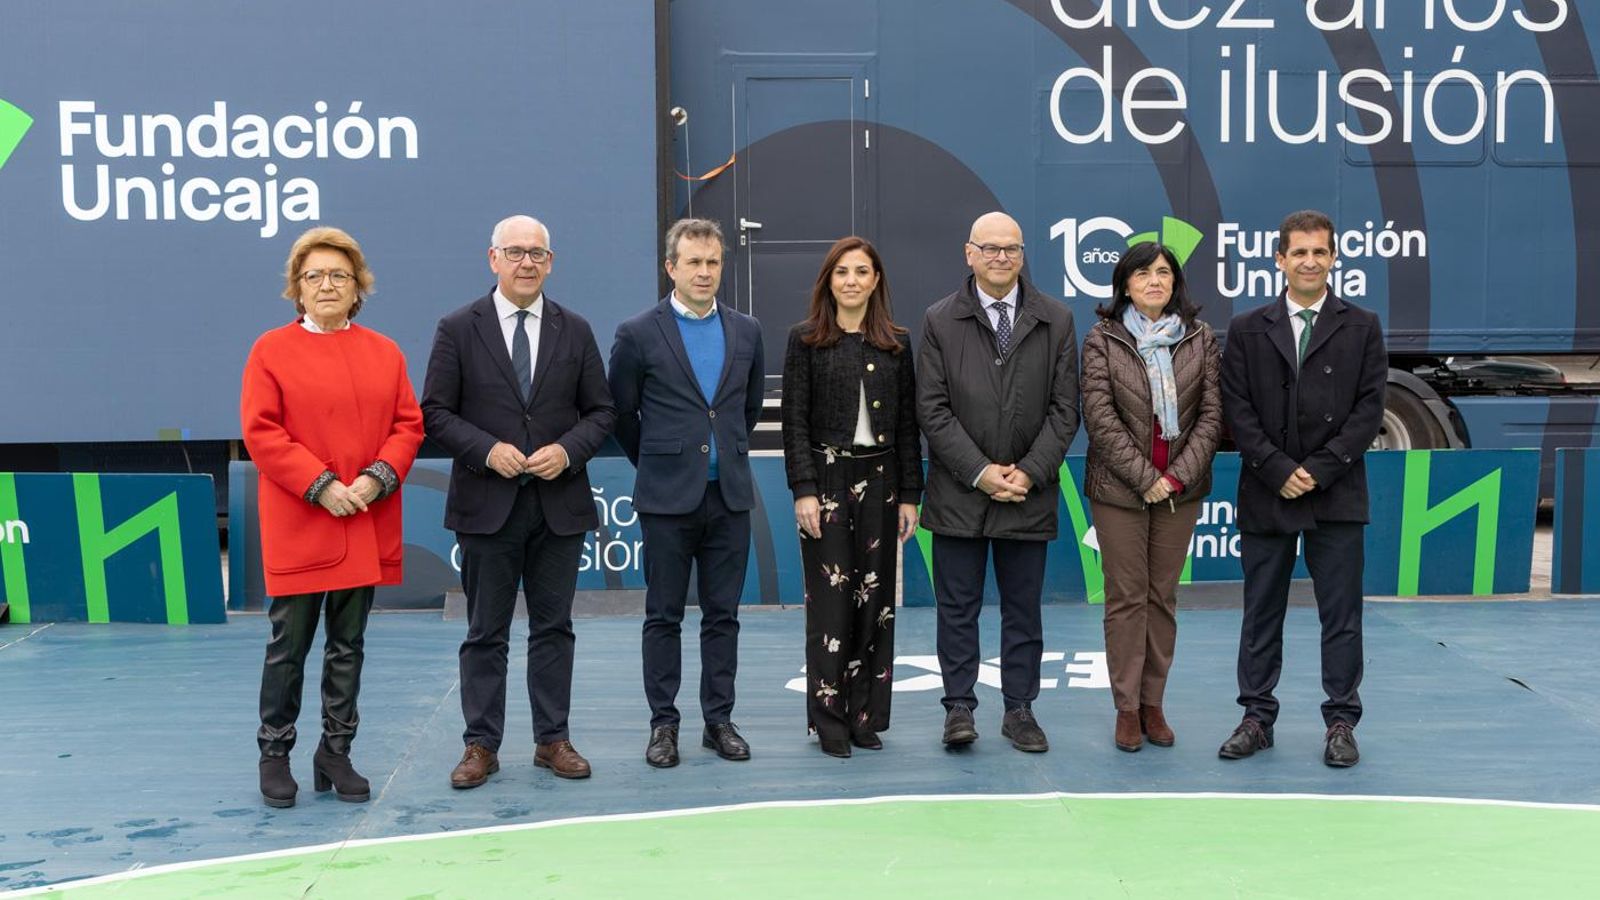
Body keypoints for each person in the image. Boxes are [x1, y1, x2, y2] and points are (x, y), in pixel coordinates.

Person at [421, 215, 617, 788]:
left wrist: (567, 450)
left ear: (550, 262)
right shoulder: (458, 327)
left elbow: (601, 411)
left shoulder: (574, 330)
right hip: (488, 504)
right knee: (486, 630)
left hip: (558, 505)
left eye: (537, 253)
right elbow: (434, 412)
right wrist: (486, 450)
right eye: (515, 252)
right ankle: (480, 745)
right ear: (493, 259)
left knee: (554, 629)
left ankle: (552, 739)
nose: (526, 262)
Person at [241, 226, 424, 808]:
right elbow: (262, 432)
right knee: (287, 647)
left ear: (357, 287)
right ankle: (276, 754)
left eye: (338, 275)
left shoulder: (385, 352)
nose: (326, 285)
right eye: (314, 275)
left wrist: (377, 477)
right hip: (303, 522)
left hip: (361, 519)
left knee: (349, 645)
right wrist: (320, 485)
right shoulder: (270, 349)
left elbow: (407, 426)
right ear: (297, 287)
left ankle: (335, 753)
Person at [1217, 209, 1386, 768]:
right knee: (1260, 612)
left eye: (1320, 252)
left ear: (1334, 258)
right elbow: (1236, 409)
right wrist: (1276, 468)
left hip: (1336, 494)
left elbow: (1369, 409)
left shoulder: (1362, 325)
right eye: (1299, 252)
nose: (1309, 261)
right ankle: (1256, 717)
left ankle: (1341, 720)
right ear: (1280, 259)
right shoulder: (1246, 328)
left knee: (1341, 616)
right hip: (1268, 493)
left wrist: (1319, 468)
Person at [917, 211, 1079, 753]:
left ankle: (1020, 711)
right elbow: (933, 410)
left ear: (1023, 253)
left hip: (1027, 496)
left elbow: (1065, 410)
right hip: (959, 494)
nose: (1000, 257)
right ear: (969, 253)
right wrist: (981, 473)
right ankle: (959, 709)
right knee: (957, 609)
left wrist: (1029, 473)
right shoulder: (939, 321)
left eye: (1010, 248)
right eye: (989, 248)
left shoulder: (1056, 319)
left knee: (1023, 610)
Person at [609, 218, 765, 768]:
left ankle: (718, 721)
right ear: (670, 267)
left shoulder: (747, 331)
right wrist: (661, 463)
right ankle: (664, 725)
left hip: (730, 498)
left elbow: (744, 410)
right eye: (693, 262)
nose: (704, 272)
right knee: (664, 615)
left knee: (723, 616)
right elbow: (623, 415)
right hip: (666, 500)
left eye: (713, 262)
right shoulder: (637, 333)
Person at [781, 236, 923, 758]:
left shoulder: (897, 343)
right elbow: (793, 422)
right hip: (827, 484)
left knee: (876, 605)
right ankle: (830, 720)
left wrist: (910, 493)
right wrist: (804, 490)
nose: (852, 281)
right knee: (831, 607)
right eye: (842, 272)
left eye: (862, 271)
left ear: (876, 281)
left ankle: (867, 716)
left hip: (883, 485)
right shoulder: (806, 340)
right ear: (829, 280)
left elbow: (908, 425)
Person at [1080, 241, 1221, 753]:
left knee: (1163, 598)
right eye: (1142, 274)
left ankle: (1153, 703)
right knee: (1126, 599)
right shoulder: (1103, 340)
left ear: (1175, 282)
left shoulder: (1200, 339)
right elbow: (1099, 418)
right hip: (1120, 491)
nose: (1154, 281)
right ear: (1125, 285)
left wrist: (1177, 477)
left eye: (1163, 273)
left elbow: (1211, 416)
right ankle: (1125, 709)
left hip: (1179, 494)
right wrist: (1146, 478)